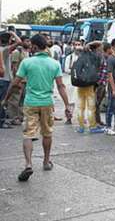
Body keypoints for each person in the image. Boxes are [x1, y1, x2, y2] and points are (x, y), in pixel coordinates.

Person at [11, 35, 71, 182]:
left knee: (28, 134)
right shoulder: (54, 64)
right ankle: (46, 161)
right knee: (47, 133)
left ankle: (28, 164)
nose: (30, 47)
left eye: (31, 45)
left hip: (31, 102)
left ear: (35, 47)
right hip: (47, 103)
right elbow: (61, 86)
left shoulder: (27, 62)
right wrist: (67, 105)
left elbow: (15, 83)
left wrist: (5, 99)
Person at [74, 42, 104, 134]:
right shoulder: (96, 56)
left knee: (80, 106)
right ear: (97, 48)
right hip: (90, 84)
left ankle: (81, 127)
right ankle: (92, 126)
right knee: (91, 107)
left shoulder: (82, 55)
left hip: (80, 83)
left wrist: (88, 45)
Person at [0, 31, 22, 129]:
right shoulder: (4, 49)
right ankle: (1, 121)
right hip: (4, 79)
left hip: (3, 78)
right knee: (3, 100)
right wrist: (13, 33)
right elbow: (19, 42)